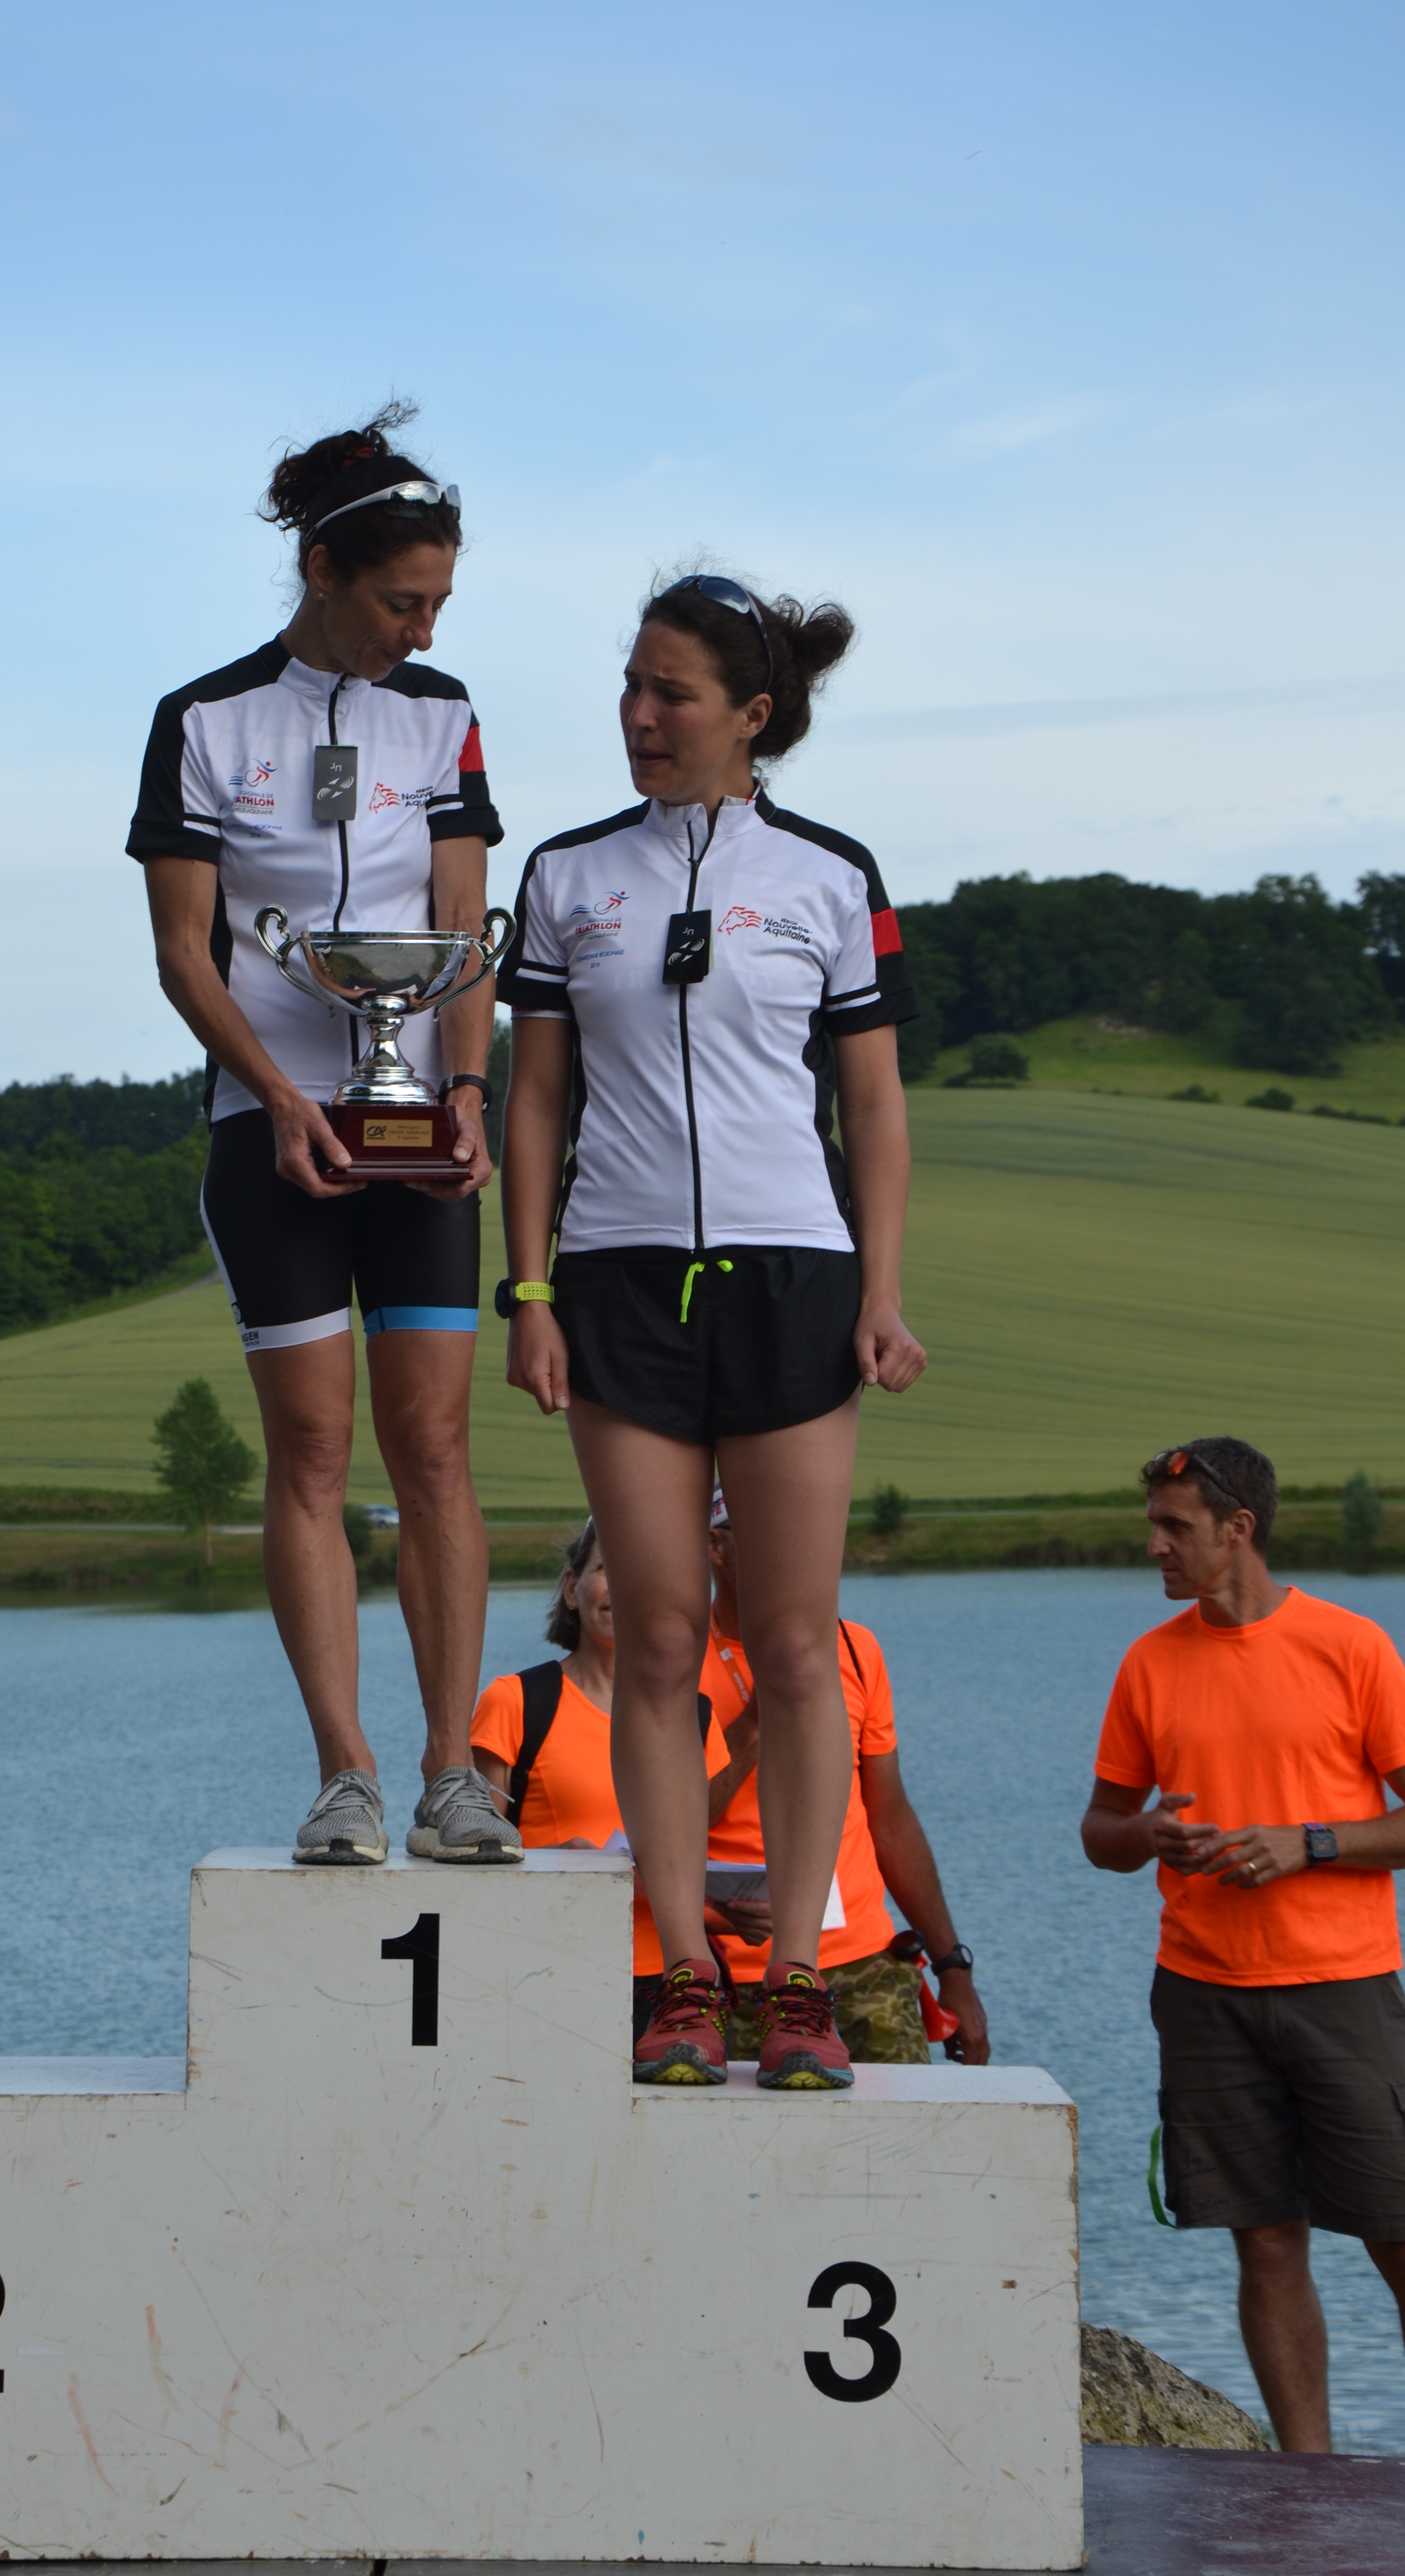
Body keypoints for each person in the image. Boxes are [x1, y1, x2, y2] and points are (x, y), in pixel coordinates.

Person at [497, 569, 927, 2089]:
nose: (638, 715)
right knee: (662, 1637)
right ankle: (682, 1974)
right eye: (629, 685)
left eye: (669, 693)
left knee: (796, 1646)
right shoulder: (565, 875)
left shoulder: (827, 874)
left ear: (751, 714)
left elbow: (871, 1102)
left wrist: (879, 1291)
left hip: (792, 1279)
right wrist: (529, 1293)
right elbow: (533, 1100)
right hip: (615, 1283)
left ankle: (797, 1979)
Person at [127, 403, 520, 1869]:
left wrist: (466, 1093)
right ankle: (343, 1773)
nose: (421, 629)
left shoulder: (443, 711)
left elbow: (463, 925)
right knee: (309, 1448)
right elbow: (185, 953)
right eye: (400, 601)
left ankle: (451, 1773)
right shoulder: (203, 720)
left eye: (438, 603)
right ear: (321, 572)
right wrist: (282, 1095)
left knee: (435, 1445)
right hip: (271, 1129)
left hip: (419, 1128)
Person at [1081, 1435, 1405, 2453]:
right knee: (1265, 2243)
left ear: (1238, 1528)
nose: (1155, 1546)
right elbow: (1100, 1830)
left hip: (1343, 1987)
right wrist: (1148, 1834)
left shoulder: (1351, 1647)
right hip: (1202, 1992)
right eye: (1153, 1525)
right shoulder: (1149, 1662)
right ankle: (1306, 2484)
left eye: (1174, 1527)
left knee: (1397, 2234)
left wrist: (1310, 1843)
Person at [703, 1486, 989, 2065]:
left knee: (907, 2127)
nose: (789, 1550)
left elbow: (890, 1818)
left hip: (868, 1967)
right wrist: (759, 1720)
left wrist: (952, 1967)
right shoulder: (674, 1662)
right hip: (737, 1978)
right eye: (764, 1532)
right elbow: (665, 1825)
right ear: (716, 1546)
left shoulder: (855, 1648)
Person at [471, 1520, 732, 1998]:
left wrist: (734, 1914)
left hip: (675, 1979)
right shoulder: (515, 1702)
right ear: (573, 1589)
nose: (623, 1587)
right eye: (607, 1568)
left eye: (642, 1574)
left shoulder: (695, 1716)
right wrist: (555, 1863)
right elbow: (472, 1865)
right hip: (549, 1971)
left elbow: (696, 1867)